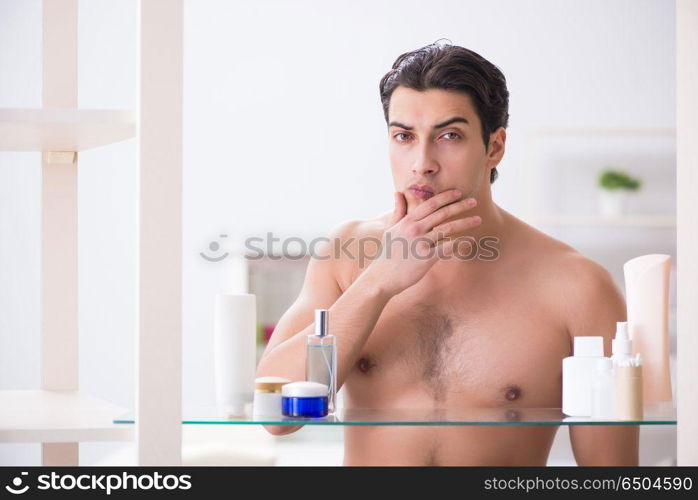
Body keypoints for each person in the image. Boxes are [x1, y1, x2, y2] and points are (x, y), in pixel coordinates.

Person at [255, 41, 638, 466]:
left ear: (494, 147)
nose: (422, 163)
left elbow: (611, 476)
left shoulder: (577, 285)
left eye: (449, 136)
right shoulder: (346, 254)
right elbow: (276, 416)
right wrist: (379, 282)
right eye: (404, 136)